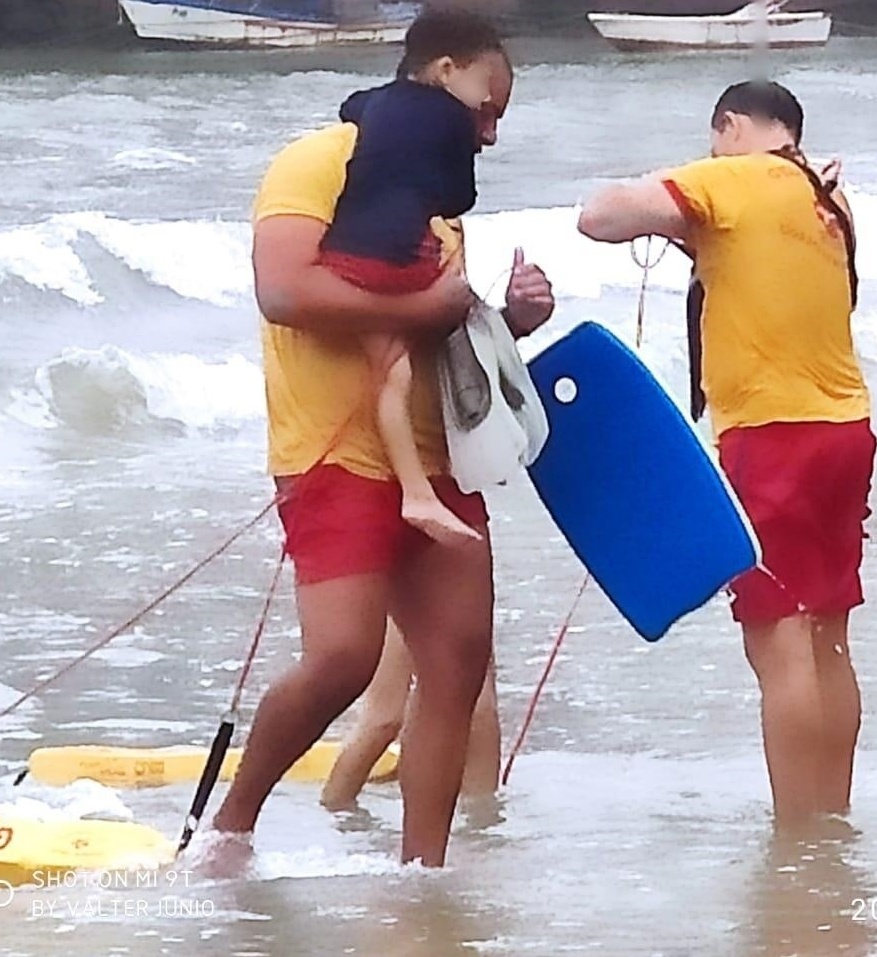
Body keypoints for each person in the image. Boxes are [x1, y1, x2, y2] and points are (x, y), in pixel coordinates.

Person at [198, 15, 554, 870]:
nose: (491, 131)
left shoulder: (434, 192)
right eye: (486, 105)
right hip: (332, 451)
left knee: (459, 662)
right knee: (345, 658)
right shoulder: (321, 158)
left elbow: (428, 329)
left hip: (438, 454)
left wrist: (509, 320)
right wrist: (426, 309)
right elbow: (285, 289)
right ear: (441, 71)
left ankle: (422, 870)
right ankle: (232, 830)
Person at [577, 80, 874, 830]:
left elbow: (598, 216)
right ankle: (830, 812)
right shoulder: (827, 203)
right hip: (845, 426)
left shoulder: (730, 178)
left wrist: (677, 194)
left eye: (717, 141)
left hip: (771, 434)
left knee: (777, 639)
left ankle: (796, 826)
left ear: (732, 126)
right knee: (827, 630)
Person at [319, 11, 502, 547]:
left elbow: (348, 108)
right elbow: (458, 197)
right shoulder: (449, 118)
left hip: (345, 250)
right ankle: (418, 493)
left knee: (390, 372)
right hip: (395, 255)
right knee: (429, 332)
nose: (481, 114)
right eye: (481, 90)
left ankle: (415, 489)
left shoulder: (376, 101)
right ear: (448, 70)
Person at [319, 621, 501, 812]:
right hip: (402, 594)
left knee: (479, 711)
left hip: (462, 593)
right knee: (384, 720)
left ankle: (482, 825)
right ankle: (333, 810)